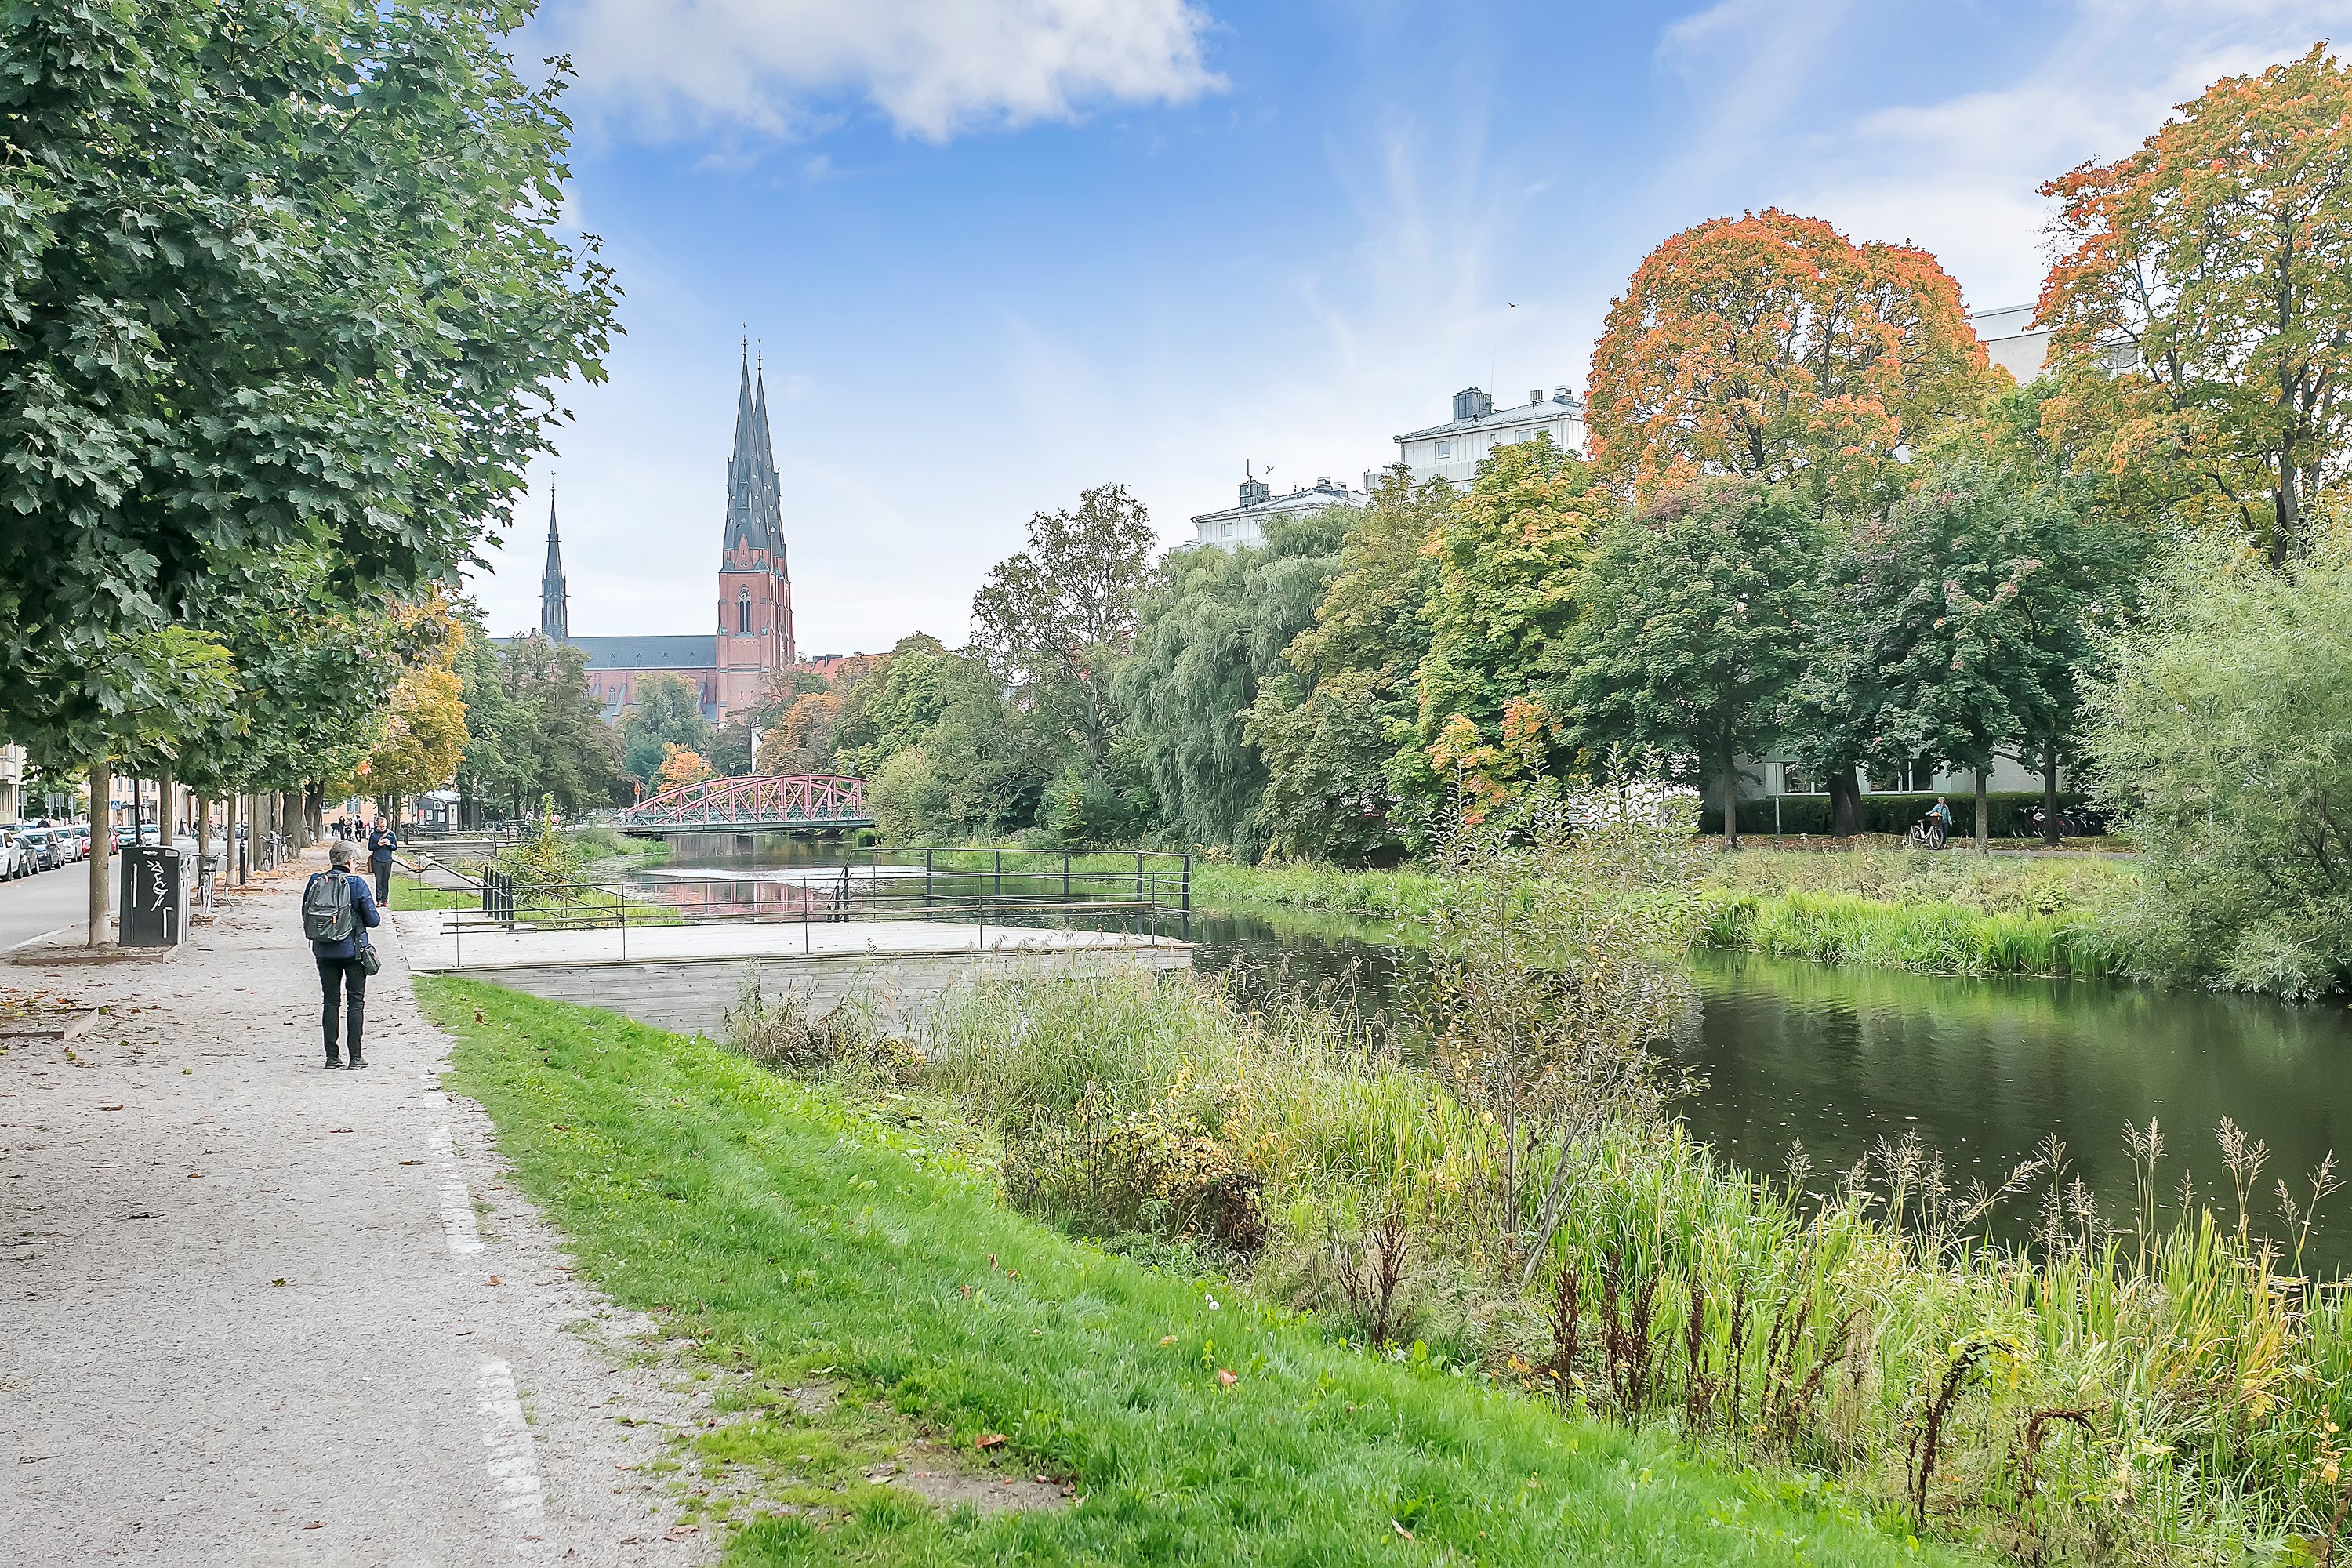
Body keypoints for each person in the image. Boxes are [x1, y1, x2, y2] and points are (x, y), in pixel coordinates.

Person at [306, 840, 380, 1069]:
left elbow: (306, 914)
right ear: (350, 862)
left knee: (330, 1002)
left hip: (325, 951)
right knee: (355, 1002)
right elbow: (373, 920)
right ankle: (355, 1057)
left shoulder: (316, 881)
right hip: (353, 951)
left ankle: (331, 1056)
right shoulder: (356, 883)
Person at [367, 816, 397, 906]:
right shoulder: (374, 834)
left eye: (384, 827)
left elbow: (395, 847)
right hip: (377, 860)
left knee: (385, 881)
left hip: (387, 860)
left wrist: (389, 844)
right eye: (380, 827)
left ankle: (385, 900)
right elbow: (370, 847)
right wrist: (377, 844)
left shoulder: (391, 834)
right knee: (378, 881)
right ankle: (379, 900)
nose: (382, 828)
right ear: (377, 825)